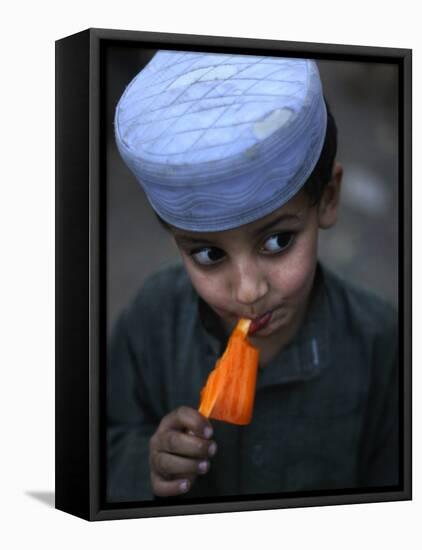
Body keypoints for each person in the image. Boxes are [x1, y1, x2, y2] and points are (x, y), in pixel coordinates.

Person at [107, 51, 399, 502]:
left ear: (328, 200)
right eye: (208, 253)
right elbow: (95, 439)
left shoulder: (382, 342)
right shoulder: (151, 322)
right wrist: (145, 462)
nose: (248, 291)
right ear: (176, 244)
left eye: (278, 241)